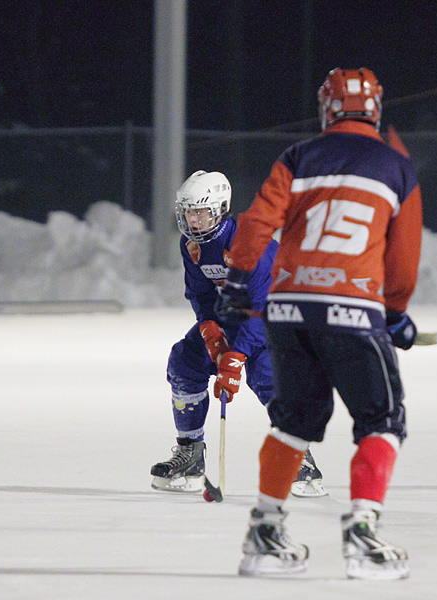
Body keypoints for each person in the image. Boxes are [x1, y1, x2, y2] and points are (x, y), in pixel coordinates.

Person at [216, 67, 422, 580]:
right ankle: (363, 534)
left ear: (326, 108)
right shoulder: (397, 167)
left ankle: (264, 532)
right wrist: (394, 311)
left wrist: (239, 283)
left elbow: (257, 223)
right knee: (382, 420)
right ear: (375, 108)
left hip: (286, 309)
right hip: (351, 310)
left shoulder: (298, 156)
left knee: (294, 421)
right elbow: (403, 257)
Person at [150, 169, 326, 498]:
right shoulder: (192, 246)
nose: (193, 220)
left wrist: (235, 358)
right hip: (234, 315)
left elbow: (263, 308)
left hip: (278, 317)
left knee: (269, 380)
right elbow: (201, 294)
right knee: (185, 362)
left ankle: (300, 457)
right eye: (189, 212)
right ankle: (190, 453)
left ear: (219, 210)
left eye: (201, 212)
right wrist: (209, 330)